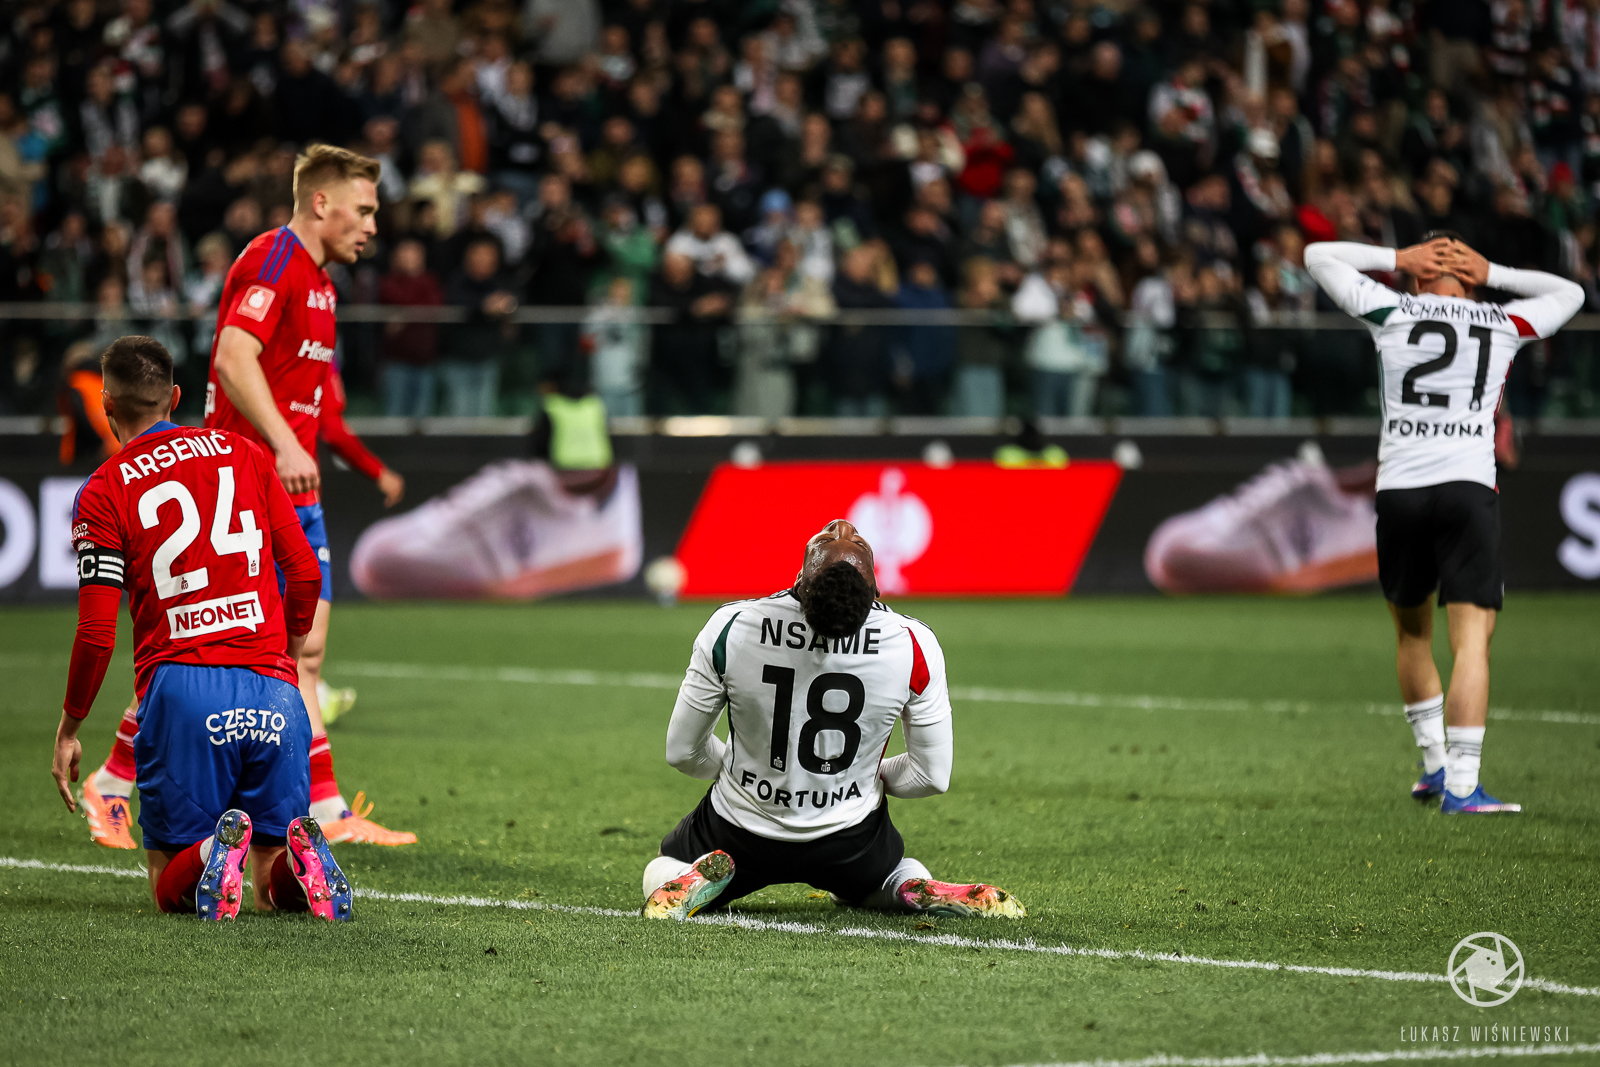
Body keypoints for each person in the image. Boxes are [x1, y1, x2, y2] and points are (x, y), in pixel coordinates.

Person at [50, 335, 352, 921]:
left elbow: (96, 632)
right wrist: (286, 659)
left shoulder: (104, 491)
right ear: (175, 396)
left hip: (183, 694)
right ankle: (296, 869)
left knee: (168, 884)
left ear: (106, 403)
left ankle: (214, 850)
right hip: (273, 690)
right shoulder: (245, 453)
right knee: (266, 881)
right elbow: (304, 574)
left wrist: (70, 728)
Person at [1305, 232, 1584, 814]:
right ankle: (1461, 786)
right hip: (1467, 489)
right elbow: (1572, 294)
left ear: (1418, 275)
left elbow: (1317, 256)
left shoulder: (1392, 310)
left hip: (1400, 491)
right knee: (1472, 642)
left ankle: (1434, 765)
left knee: (1411, 635)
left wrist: (1393, 259)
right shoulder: (1501, 322)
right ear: (1467, 279)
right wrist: (1496, 270)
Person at [639, 519, 1026, 921]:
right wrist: (859, 775)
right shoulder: (913, 644)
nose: (843, 527)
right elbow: (931, 776)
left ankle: (689, 877)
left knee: (661, 867)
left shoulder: (733, 627)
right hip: (852, 841)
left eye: (850, 539)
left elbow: (683, 752)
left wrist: (742, 770)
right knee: (888, 872)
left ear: (800, 582)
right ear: (875, 591)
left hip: (738, 831)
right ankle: (908, 885)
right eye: (836, 536)